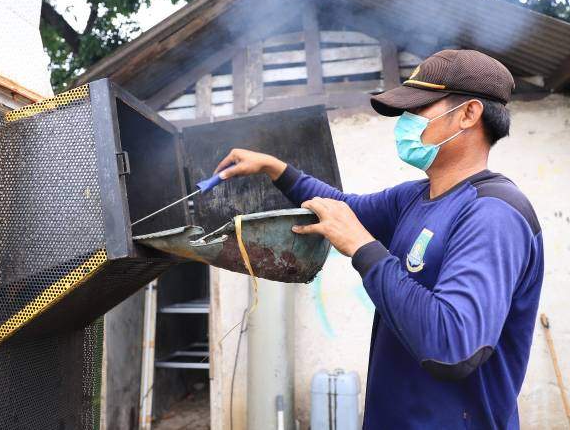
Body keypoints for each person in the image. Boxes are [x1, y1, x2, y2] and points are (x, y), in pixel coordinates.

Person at [214, 49, 543, 429]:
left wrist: (362, 248)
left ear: (469, 114)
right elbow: (343, 207)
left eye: (418, 109)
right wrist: (277, 169)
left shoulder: (494, 214)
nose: (405, 122)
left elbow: (453, 345)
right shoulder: (416, 197)